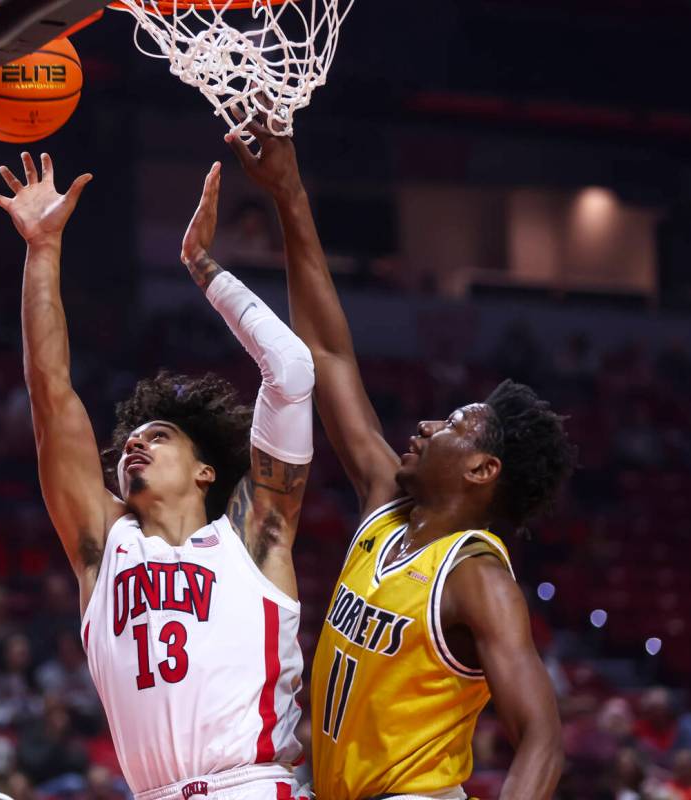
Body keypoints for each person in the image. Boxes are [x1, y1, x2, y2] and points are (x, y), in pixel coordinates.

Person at [225, 125, 577, 800]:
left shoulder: (476, 578)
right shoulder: (387, 502)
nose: (425, 425)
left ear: (482, 470)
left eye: (452, 424)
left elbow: (543, 738)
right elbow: (326, 354)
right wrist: (289, 194)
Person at [0, 153, 315, 799]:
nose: (135, 447)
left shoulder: (254, 539)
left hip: (250, 786)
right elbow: (51, 395)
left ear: (205, 470)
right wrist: (42, 250)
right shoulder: (104, 547)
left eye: (158, 437)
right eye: (130, 441)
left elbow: (293, 372)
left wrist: (202, 266)